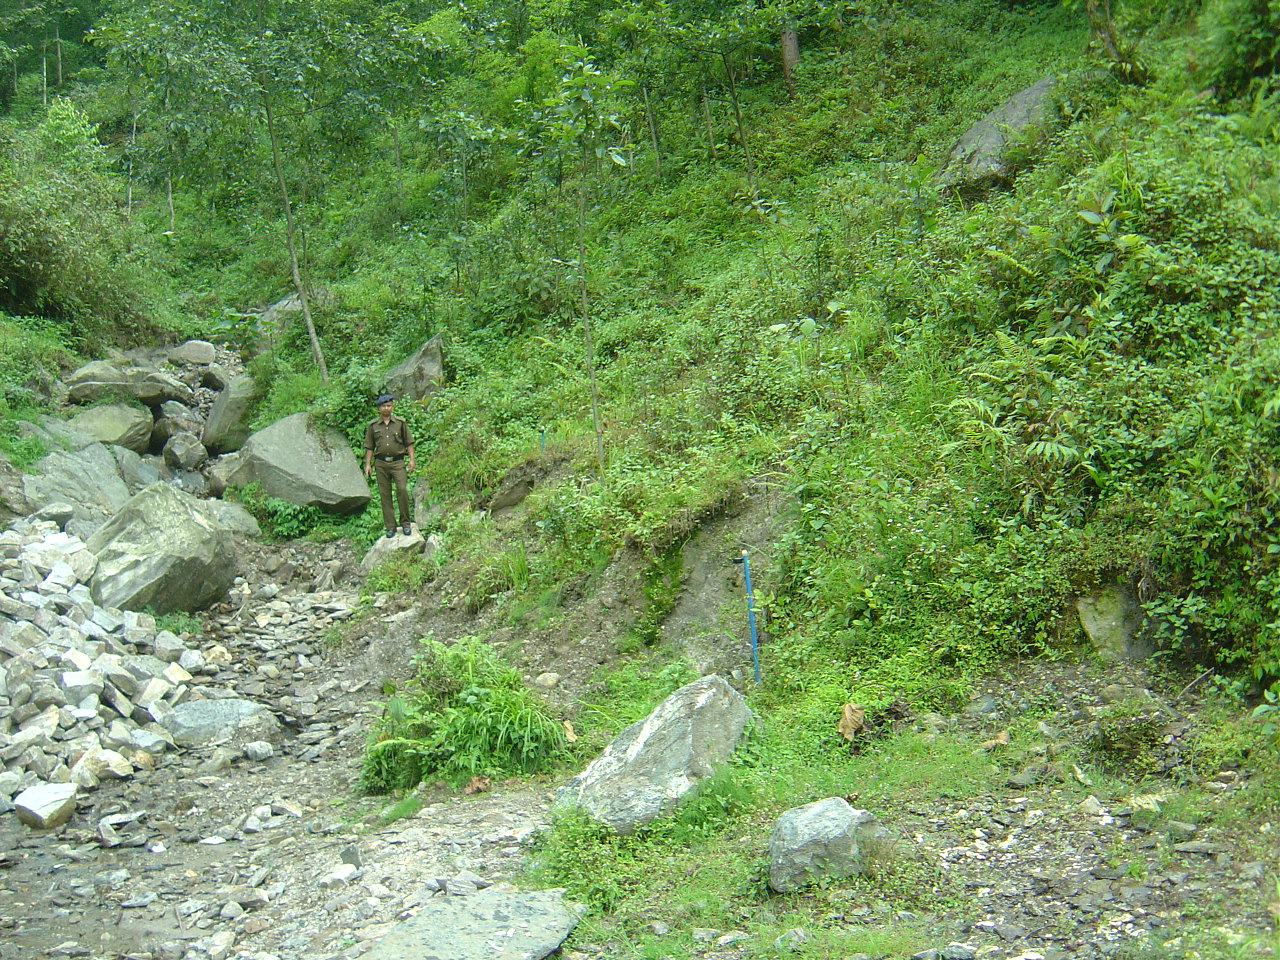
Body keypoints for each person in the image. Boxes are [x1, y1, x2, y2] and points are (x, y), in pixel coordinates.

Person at [363, 393, 416, 538]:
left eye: (389, 405)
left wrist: (411, 460)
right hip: (380, 463)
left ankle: (406, 523)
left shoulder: (400, 423)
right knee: (385, 495)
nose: (387, 408)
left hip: (398, 462)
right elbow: (369, 447)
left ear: (392, 407)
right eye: (384, 406)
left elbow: (409, 443)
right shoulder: (373, 426)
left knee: (402, 490)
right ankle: (390, 526)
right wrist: (368, 465)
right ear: (379, 408)